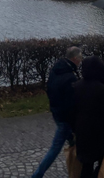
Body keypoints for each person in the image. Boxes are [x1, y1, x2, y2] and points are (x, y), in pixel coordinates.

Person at [31, 46, 83, 178]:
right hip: (65, 118)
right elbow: (72, 103)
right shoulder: (70, 77)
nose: (81, 60)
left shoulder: (57, 68)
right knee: (55, 148)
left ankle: (78, 167)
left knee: (73, 141)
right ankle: (37, 175)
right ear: (74, 59)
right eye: (80, 58)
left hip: (56, 111)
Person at [72, 56, 104, 178]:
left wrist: (75, 130)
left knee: (86, 166)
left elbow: (71, 112)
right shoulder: (100, 89)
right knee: (103, 165)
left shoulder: (76, 87)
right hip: (97, 135)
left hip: (82, 134)